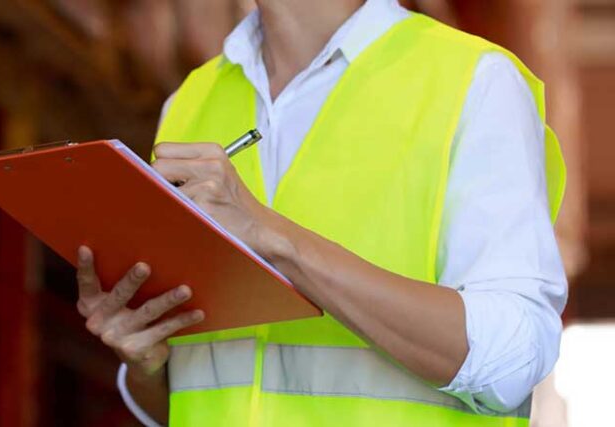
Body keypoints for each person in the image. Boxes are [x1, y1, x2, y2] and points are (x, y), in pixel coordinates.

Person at [72, 0, 568, 426]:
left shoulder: (474, 82)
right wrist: (146, 363)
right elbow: (193, 396)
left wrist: (273, 238)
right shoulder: (191, 102)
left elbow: (512, 363)